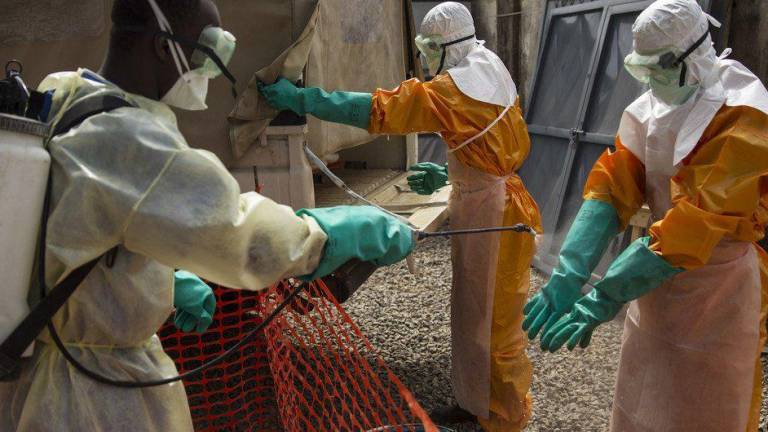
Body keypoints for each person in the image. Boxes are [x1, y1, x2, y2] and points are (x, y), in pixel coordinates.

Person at [0, 0, 414, 430]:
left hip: (29, 372)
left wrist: (157, 276)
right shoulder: (131, 140)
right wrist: (327, 232)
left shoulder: (64, 96)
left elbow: (74, 221)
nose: (209, 73)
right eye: (204, 54)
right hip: (90, 397)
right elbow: (242, 236)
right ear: (164, 47)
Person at [260, 3, 541, 431]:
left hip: (496, 211)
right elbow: (494, 141)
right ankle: (476, 403)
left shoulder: (452, 91)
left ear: (446, 45)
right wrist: (453, 172)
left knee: (495, 323)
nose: (426, 56)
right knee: (472, 310)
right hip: (490, 197)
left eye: (429, 47)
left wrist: (303, 99)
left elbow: (376, 111)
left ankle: (502, 420)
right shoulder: (489, 68)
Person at [523, 1, 768, 430]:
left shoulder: (743, 115)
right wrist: (569, 269)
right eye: (644, 69)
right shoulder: (653, 105)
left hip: (718, 288)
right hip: (655, 285)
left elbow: (695, 221)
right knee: (644, 404)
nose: (651, 81)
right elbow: (612, 186)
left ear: (692, 57)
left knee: (707, 410)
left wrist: (605, 295)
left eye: (658, 69)